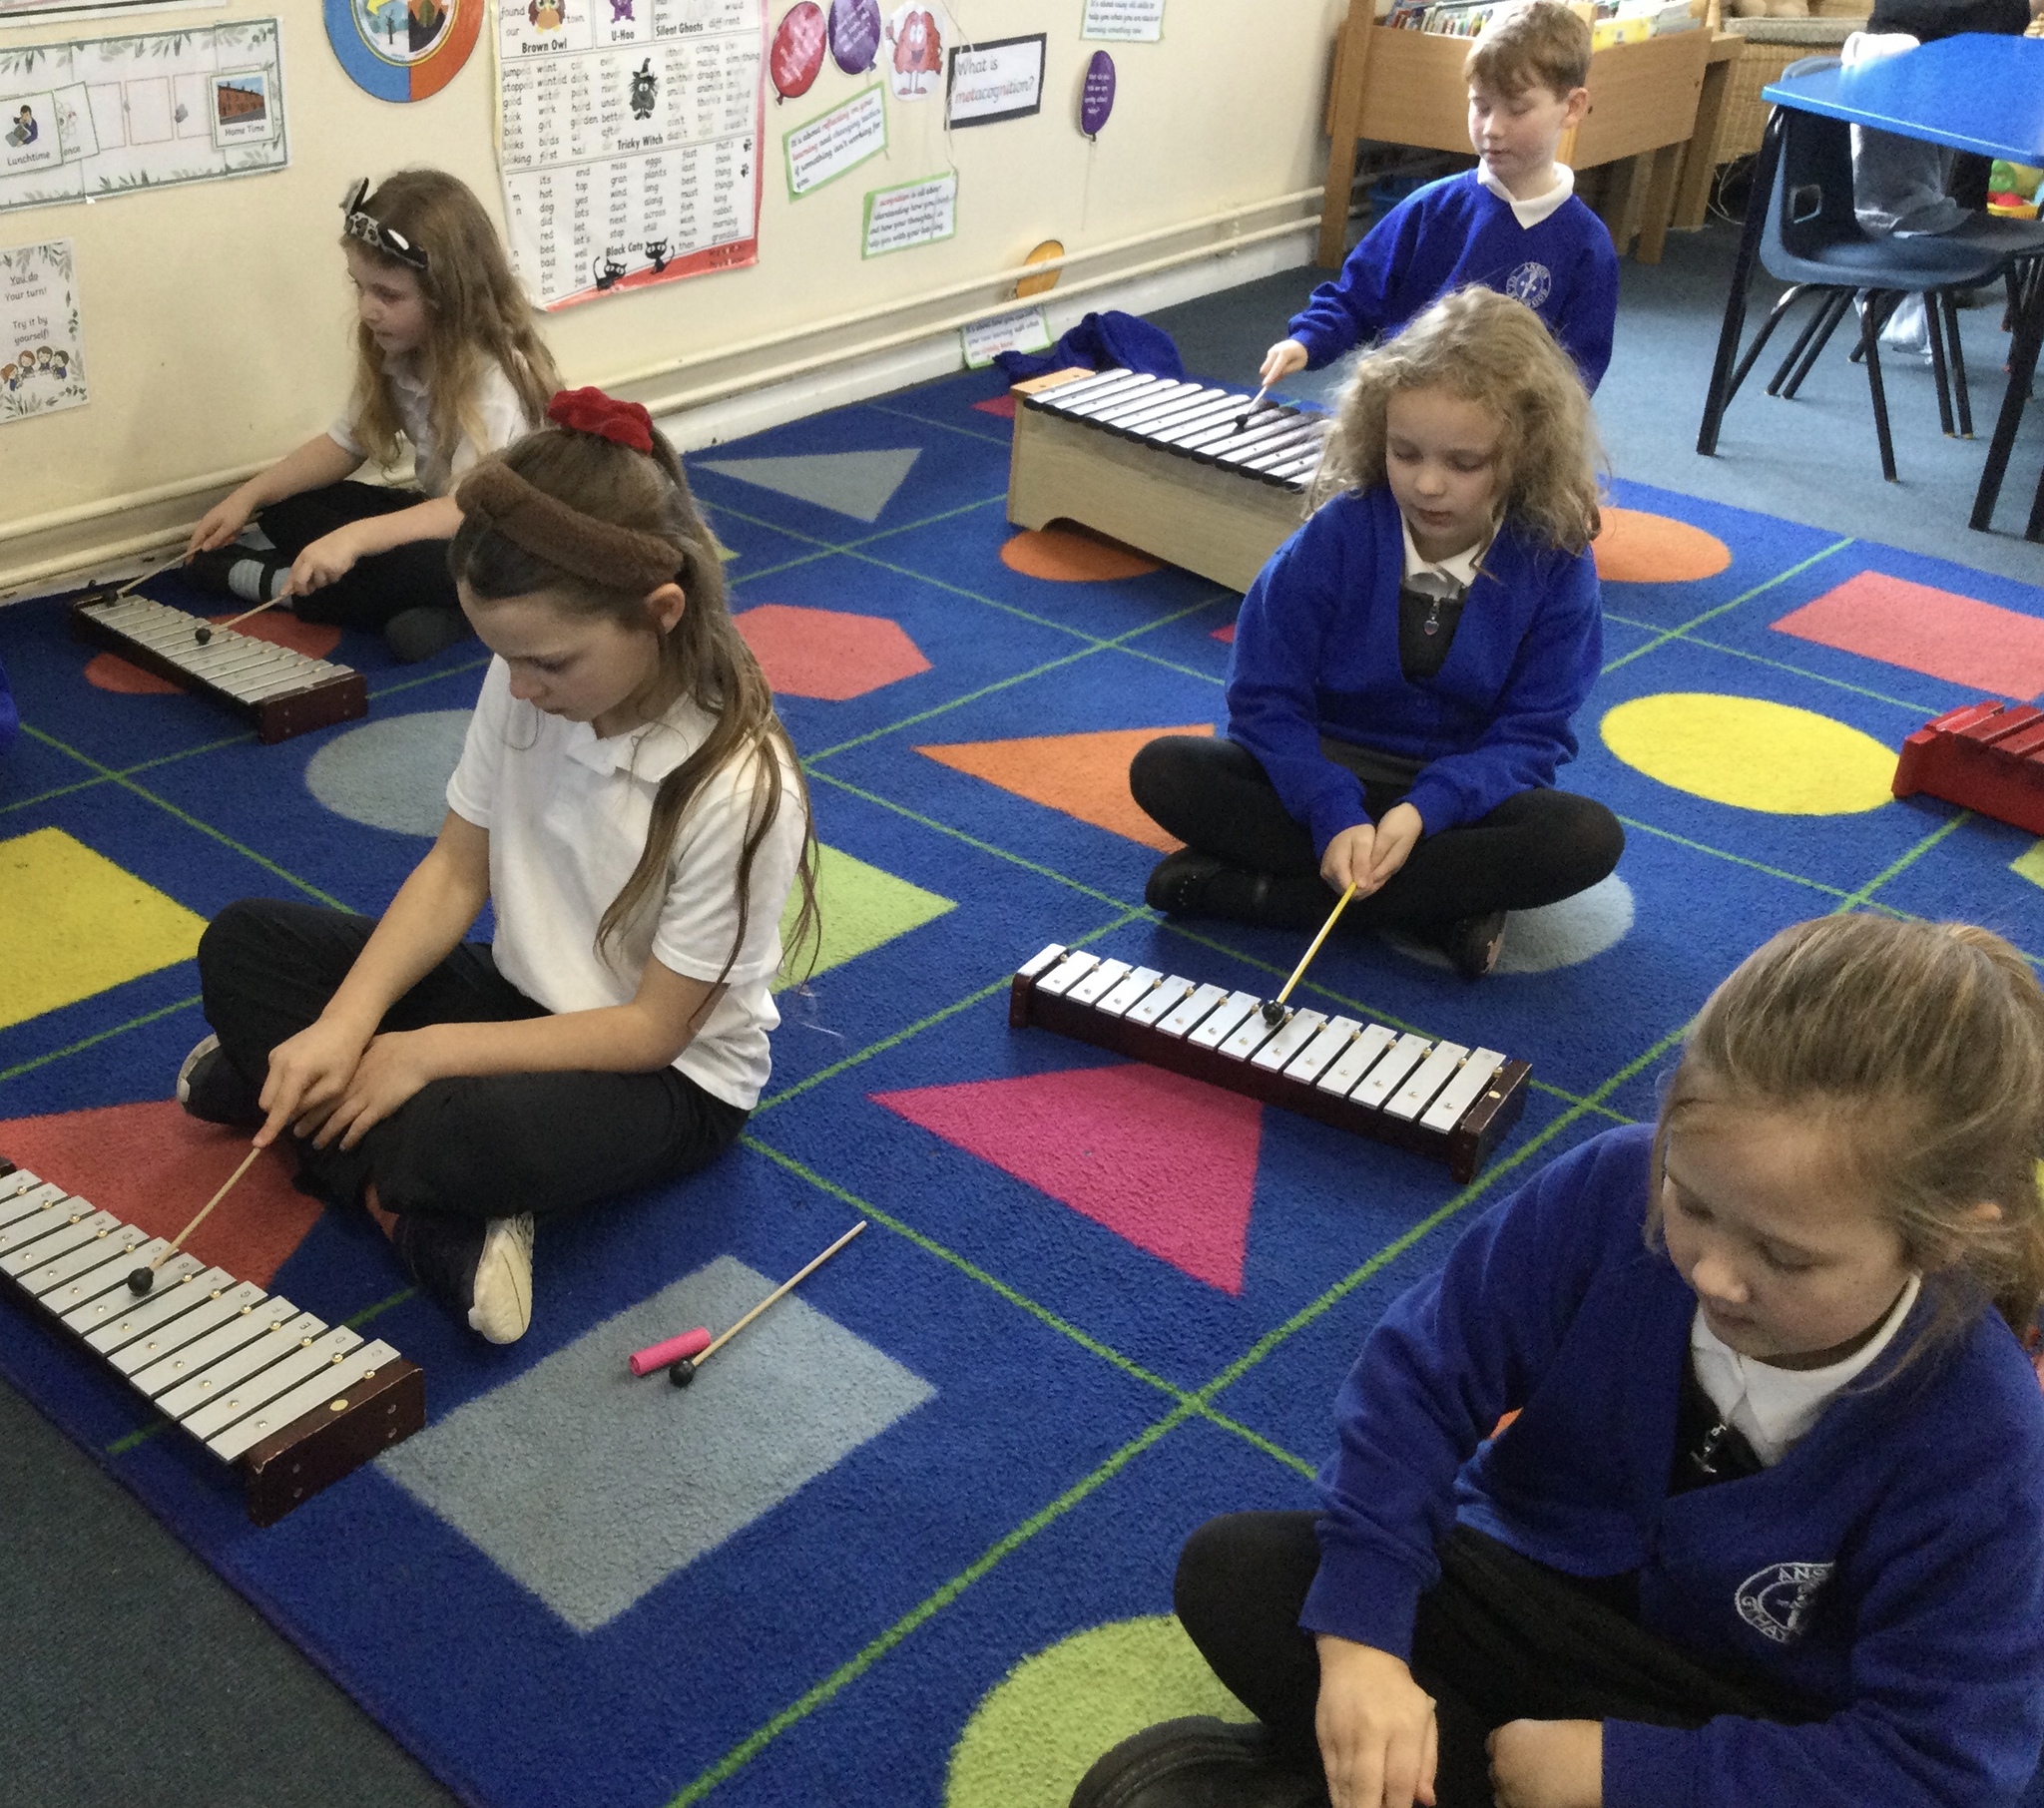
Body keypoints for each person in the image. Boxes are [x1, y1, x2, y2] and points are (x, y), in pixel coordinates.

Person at [1072, 915, 2044, 1808]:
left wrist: (1619, 1774)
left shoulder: (1984, 1439)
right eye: (1691, 1201)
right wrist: (1364, 1647)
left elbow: (1940, 1765)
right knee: (1240, 1574)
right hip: (1526, 1587)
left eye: (1784, 1258)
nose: (1710, 1272)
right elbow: (1419, 1380)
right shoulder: (1608, 1190)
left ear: (1943, 1240)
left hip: (1741, 1713)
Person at [175, 388, 818, 1345]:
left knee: (468, 1136)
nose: (520, 686)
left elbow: (650, 1031)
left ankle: (344, 1136)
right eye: (502, 657)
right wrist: (348, 1023)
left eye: (549, 664)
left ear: (661, 613)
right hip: (520, 999)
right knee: (244, 943)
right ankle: (394, 1180)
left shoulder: (740, 787)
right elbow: (453, 871)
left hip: (670, 1077)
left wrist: (420, 1051)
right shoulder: (525, 672)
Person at [1132, 287, 1621, 981]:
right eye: (1405, 453)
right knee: (1165, 770)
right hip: (1317, 774)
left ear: (1527, 454)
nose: (1427, 485)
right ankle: (1440, 906)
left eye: (1464, 463)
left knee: (1585, 838)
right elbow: (1265, 701)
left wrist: (1426, 810)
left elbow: (1532, 736)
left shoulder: (1556, 562)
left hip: (1459, 801)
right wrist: (1330, 808)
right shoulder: (1335, 536)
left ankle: (1263, 894)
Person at [185, 171, 562, 663]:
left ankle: (281, 587)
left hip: (509, 549)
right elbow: (346, 443)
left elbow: (464, 509)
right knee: (287, 507)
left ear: (449, 296)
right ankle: (425, 609)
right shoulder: (401, 351)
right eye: (359, 287)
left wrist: (353, 540)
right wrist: (248, 496)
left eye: (389, 295)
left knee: (419, 568)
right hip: (447, 520)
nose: (368, 309)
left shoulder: (495, 379)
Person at [1261, 1, 1618, 397]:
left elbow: (1576, 375)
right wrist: (1308, 340)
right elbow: (1357, 296)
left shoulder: (1586, 244)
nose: (1492, 129)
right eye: (1480, 106)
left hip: (1505, 425)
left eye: (1517, 110)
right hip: (1401, 407)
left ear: (1572, 107)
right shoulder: (1430, 208)